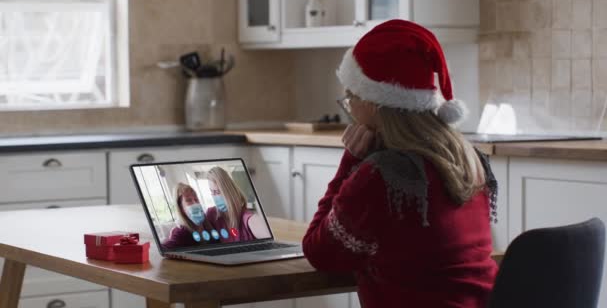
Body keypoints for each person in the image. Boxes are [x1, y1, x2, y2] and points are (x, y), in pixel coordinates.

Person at [302, 19, 498, 308]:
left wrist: (351, 161)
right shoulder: (470, 159)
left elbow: (318, 252)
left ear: (373, 103)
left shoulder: (382, 176)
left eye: (350, 98)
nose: (349, 108)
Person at [205, 166, 271, 242]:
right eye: (212, 192)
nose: (214, 196)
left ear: (229, 191)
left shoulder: (247, 218)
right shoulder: (211, 214)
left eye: (217, 192)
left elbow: (268, 235)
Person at [162, 183, 218, 249]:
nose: (195, 203)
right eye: (189, 200)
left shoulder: (209, 221)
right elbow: (165, 248)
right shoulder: (180, 233)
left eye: (196, 199)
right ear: (181, 208)